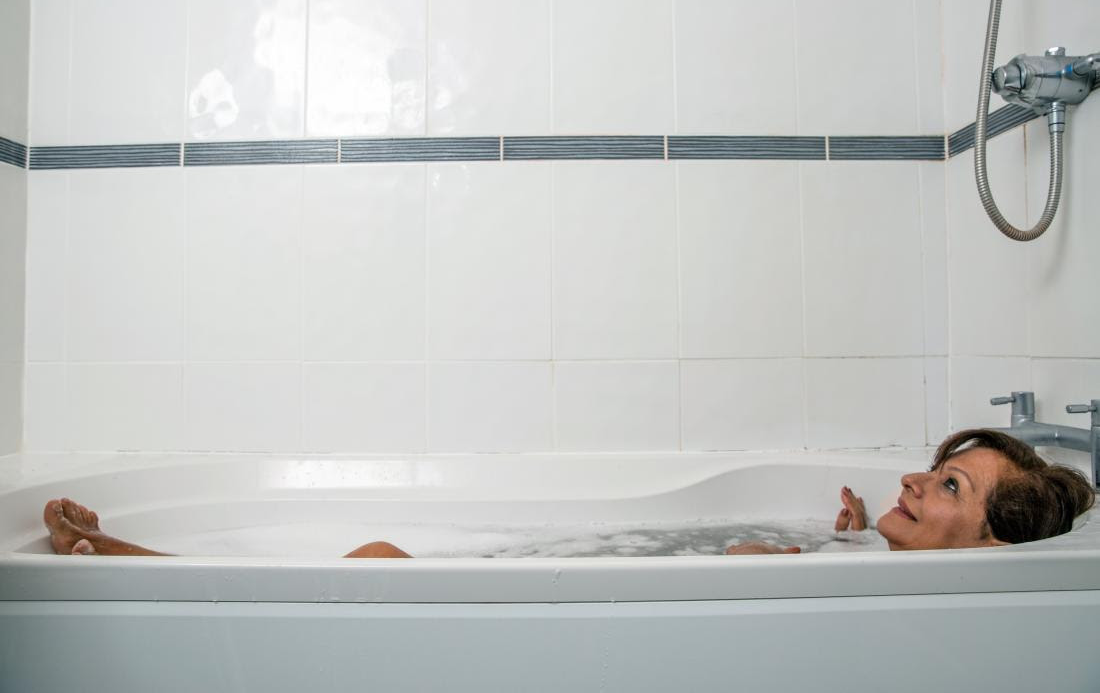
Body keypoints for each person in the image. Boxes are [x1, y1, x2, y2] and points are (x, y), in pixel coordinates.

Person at [42, 429, 1094, 559]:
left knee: (375, 568)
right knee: (374, 558)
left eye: (943, 482)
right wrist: (856, 538)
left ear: (989, 546)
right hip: (606, 553)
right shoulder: (881, 560)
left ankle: (128, 561)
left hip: (616, 571)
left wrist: (767, 573)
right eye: (928, 460)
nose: (911, 474)